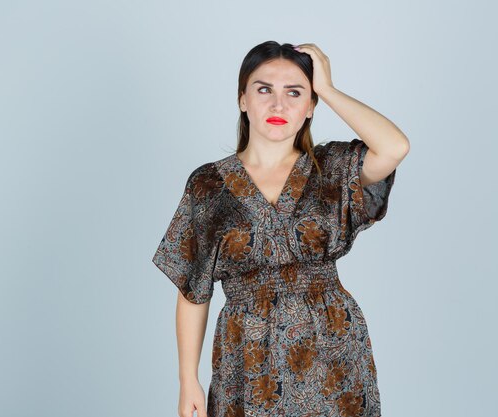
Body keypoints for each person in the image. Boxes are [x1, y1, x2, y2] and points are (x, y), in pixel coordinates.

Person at [152, 41, 409, 417]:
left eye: (295, 93)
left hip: (332, 348)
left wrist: (329, 90)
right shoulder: (208, 184)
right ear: (243, 99)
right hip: (246, 352)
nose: (278, 105)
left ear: (310, 106)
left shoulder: (331, 168)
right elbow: (193, 288)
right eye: (264, 90)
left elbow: (394, 146)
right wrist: (187, 378)